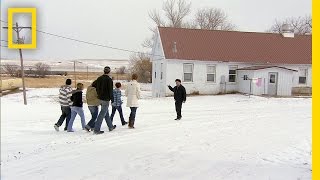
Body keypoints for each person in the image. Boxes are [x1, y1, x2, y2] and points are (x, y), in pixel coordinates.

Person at [92, 66, 116, 134]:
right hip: (106, 99)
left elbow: (93, 84)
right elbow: (110, 91)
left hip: (100, 98)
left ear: (104, 71)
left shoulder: (99, 78)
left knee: (106, 113)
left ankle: (110, 127)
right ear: (109, 71)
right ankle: (96, 129)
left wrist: (98, 91)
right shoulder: (109, 80)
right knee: (102, 113)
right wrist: (112, 100)